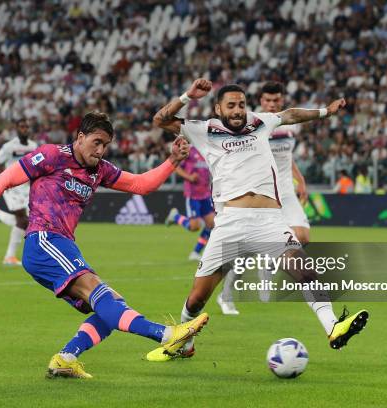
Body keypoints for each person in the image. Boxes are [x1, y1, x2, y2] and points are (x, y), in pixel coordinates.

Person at [0, 112, 209, 378]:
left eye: (105, 145)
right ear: (80, 137)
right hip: (44, 240)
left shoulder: (99, 170)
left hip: (63, 245)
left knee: (110, 304)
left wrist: (172, 161)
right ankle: (166, 335)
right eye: (96, 142)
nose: (101, 150)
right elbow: (3, 180)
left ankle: (65, 359)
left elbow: (140, 184)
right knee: (100, 294)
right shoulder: (52, 156)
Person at [146, 79, 368, 361]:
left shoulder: (260, 122)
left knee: (304, 270)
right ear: (218, 108)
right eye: (231, 105)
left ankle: (333, 327)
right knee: (198, 297)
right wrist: (188, 95)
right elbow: (160, 119)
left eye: (241, 104)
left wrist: (326, 112)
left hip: (270, 221)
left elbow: (292, 114)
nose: (238, 110)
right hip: (229, 223)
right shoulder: (204, 130)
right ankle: (182, 342)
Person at [219, 81, 312, 312]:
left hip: (285, 190)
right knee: (244, 250)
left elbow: (286, 156)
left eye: (276, 100)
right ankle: (226, 295)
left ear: (282, 101)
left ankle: (267, 267)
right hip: (260, 192)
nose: (271, 104)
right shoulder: (252, 125)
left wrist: (300, 179)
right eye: (267, 101)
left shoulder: (290, 125)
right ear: (260, 102)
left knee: (302, 236)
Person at [0, 118, 38, 265]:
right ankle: (9, 257)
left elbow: (36, 166)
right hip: (11, 187)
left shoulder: (33, 146)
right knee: (23, 220)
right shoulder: (9, 146)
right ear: (16, 129)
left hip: (26, 188)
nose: (25, 129)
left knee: (25, 221)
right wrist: (6, 178)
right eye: (22, 127)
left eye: (27, 126)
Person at [165, 145, 215, 262]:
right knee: (194, 227)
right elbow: (176, 167)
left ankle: (195, 252)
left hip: (206, 194)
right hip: (193, 195)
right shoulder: (189, 150)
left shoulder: (207, 149)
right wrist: (189, 177)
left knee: (212, 224)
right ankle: (176, 217)